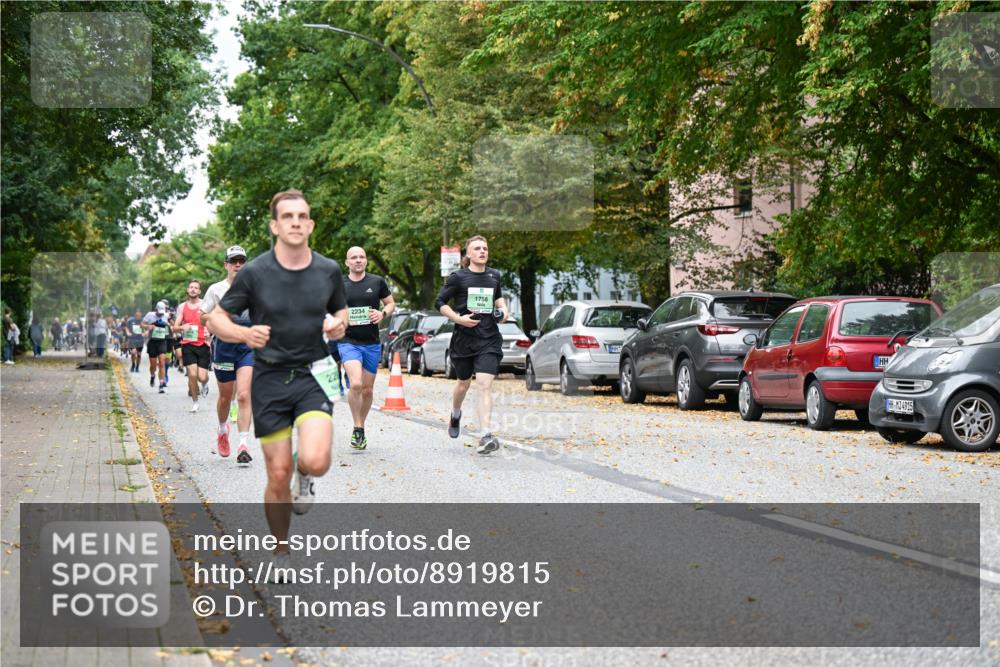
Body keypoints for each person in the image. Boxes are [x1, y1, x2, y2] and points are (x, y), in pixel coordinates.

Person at [206, 189, 347, 571]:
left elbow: (341, 311)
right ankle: (281, 550)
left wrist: (338, 325)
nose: (295, 222)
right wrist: (243, 334)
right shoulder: (255, 273)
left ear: (310, 224)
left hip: (314, 374)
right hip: (269, 378)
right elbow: (216, 318)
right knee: (277, 474)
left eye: (302, 216)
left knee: (316, 460)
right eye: (287, 216)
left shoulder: (328, 270)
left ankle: (306, 473)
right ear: (275, 225)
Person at [434, 235, 508, 455]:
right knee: (463, 383)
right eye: (477, 248)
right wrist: (459, 319)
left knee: (484, 385)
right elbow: (439, 302)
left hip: (489, 339)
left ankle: (486, 434)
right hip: (464, 340)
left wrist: (504, 311)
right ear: (468, 254)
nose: (482, 251)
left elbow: (499, 300)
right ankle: (456, 413)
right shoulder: (458, 277)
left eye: (485, 248)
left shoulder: (494, 276)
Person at [201, 245, 255, 464]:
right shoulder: (216, 289)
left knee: (243, 395)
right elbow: (203, 316)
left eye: (241, 261)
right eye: (234, 261)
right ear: (226, 265)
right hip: (224, 346)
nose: (238, 265)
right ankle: (223, 429)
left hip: (247, 346)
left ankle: (243, 445)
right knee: (225, 398)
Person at [338, 246, 394, 450]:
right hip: (348, 341)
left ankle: (361, 424)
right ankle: (357, 426)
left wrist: (382, 314)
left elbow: (390, 303)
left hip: (371, 343)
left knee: (368, 390)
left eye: (361, 257)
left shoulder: (377, 282)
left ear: (366, 261)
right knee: (356, 384)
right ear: (347, 262)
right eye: (354, 257)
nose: (358, 260)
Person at [173, 280, 211, 413]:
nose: (193, 289)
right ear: (187, 290)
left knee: (202, 377)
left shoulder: (205, 305)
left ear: (199, 291)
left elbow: (212, 321)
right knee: (192, 375)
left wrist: (209, 332)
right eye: (191, 287)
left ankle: (205, 384)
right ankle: (195, 402)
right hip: (188, 344)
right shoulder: (182, 307)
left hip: (203, 344)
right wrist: (182, 327)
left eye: (196, 288)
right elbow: (174, 327)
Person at [142, 301, 171, 393]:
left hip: (162, 341)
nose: (161, 314)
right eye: (159, 312)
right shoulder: (150, 315)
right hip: (152, 342)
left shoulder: (166, 315)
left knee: (162, 363)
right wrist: (148, 326)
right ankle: (152, 375)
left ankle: (161, 384)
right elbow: (142, 324)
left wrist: (169, 325)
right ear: (156, 309)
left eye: (162, 312)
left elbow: (172, 324)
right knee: (153, 365)